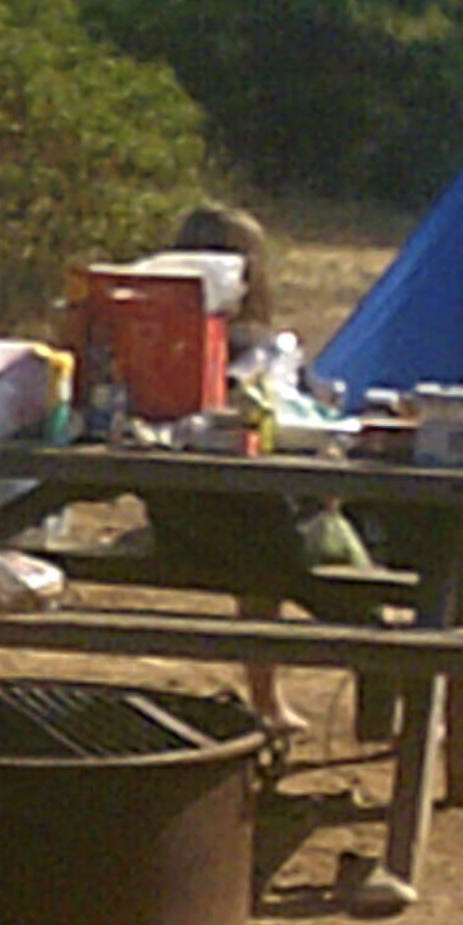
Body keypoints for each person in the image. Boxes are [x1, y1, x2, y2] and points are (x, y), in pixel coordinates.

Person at [136, 204, 376, 737]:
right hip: (265, 538)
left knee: (260, 529)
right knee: (355, 589)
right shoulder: (260, 350)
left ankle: (268, 696)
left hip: (179, 526)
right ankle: (384, 711)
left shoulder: (149, 343)